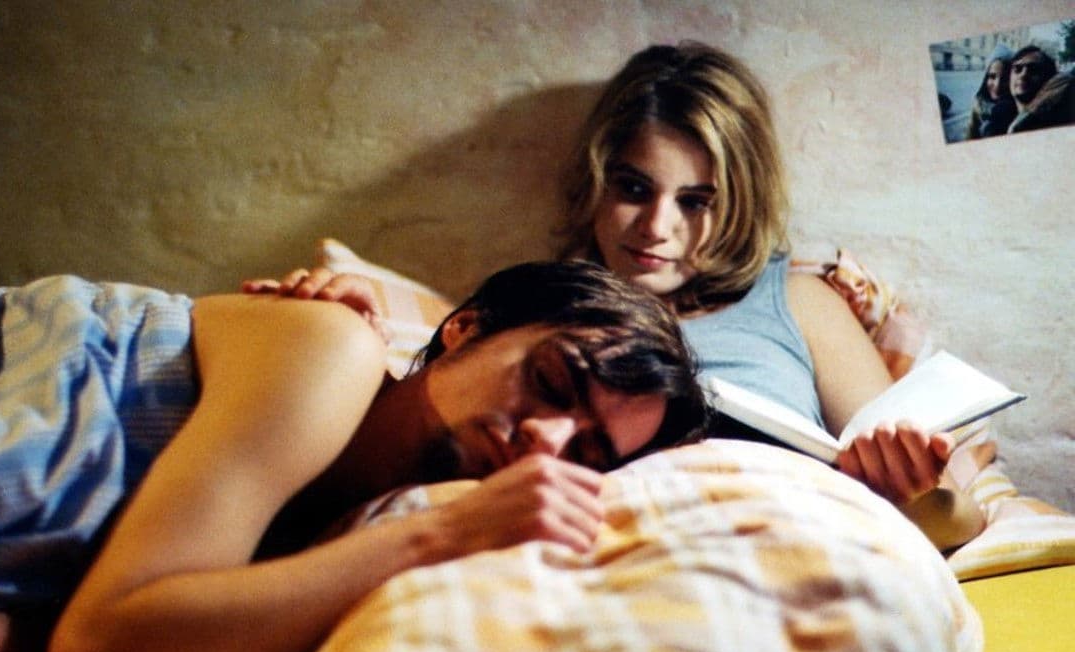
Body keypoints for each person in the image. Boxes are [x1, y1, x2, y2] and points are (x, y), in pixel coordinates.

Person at [0, 260, 706, 652]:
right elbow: (100, 640)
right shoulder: (334, 345)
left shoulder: (334, 550)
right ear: (463, 330)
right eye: (550, 382)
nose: (547, 443)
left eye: (589, 452)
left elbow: (129, 625)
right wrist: (440, 535)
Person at [266, 42, 987, 551]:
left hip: (773, 536)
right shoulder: (547, 311)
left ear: (739, 204)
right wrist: (331, 311)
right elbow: (415, 384)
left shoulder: (796, 300)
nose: (656, 228)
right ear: (596, 182)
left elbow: (959, 518)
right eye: (634, 188)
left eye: (696, 201)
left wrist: (916, 487)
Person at [1006, 45, 1075, 134]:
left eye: (1033, 69)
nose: (1023, 74)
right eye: (1017, 69)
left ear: (1049, 78)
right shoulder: (999, 119)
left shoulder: (1058, 122)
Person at [966, 44, 1015, 140]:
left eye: (1005, 78)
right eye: (992, 76)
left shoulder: (1019, 108)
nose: (997, 85)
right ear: (985, 79)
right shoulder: (978, 107)